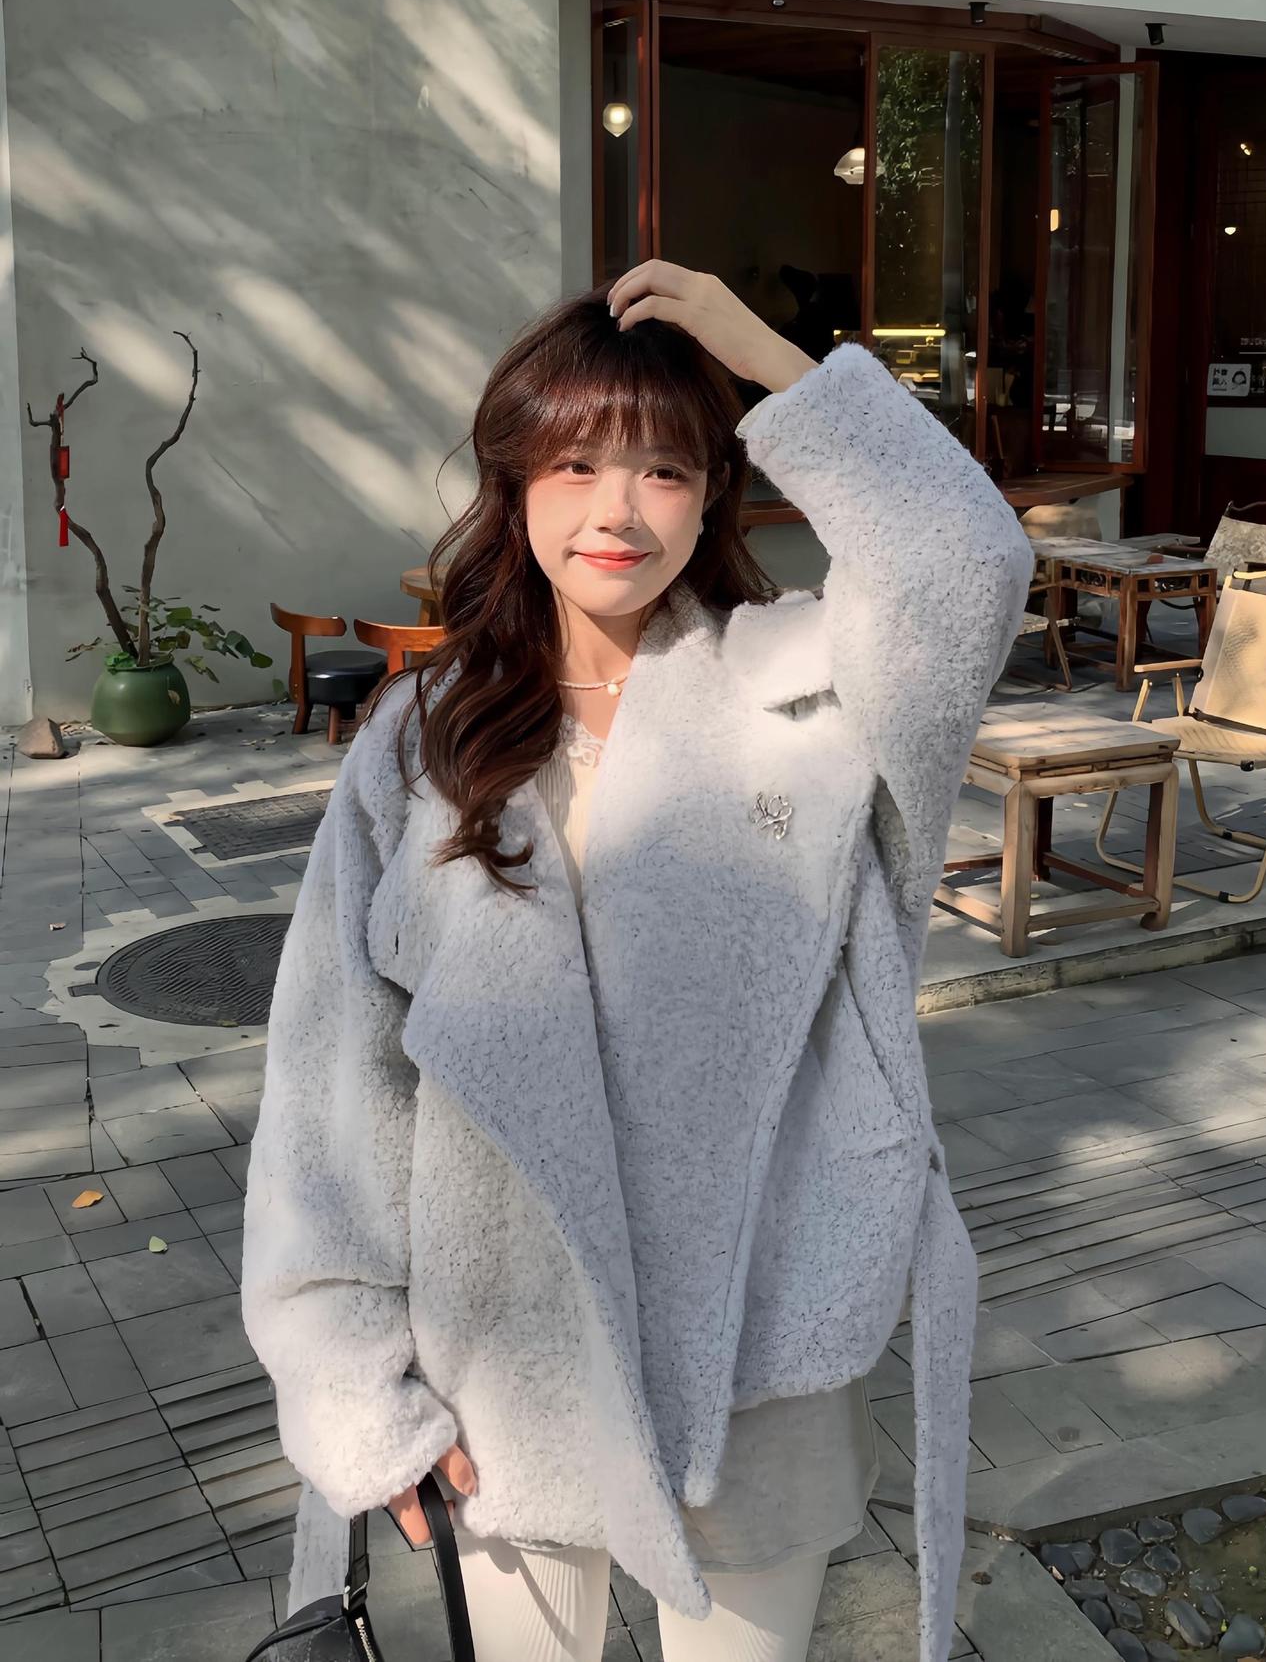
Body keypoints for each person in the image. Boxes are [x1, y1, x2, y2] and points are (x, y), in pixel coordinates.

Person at [242, 262, 1032, 1662]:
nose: (617, 510)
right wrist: (352, 1379)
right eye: (576, 463)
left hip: (761, 1361)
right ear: (514, 485)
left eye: (665, 468)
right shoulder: (424, 742)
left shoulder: (812, 696)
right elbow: (333, 1078)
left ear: (716, 495)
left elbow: (965, 564)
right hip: (510, 1369)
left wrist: (771, 357)